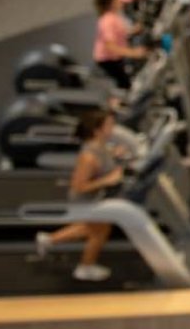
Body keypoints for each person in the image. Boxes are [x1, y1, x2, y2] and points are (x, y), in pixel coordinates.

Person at [35, 109, 125, 282]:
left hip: (95, 197)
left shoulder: (101, 145)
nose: (113, 128)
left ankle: (48, 239)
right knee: (100, 231)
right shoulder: (88, 156)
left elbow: (104, 160)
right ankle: (85, 268)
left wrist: (114, 155)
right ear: (97, 130)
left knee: (92, 228)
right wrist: (107, 180)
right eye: (109, 125)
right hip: (85, 201)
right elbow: (78, 186)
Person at [92, 0, 147, 89]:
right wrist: (134, 53)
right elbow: (110, 46)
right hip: (107, 60)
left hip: (115, 57)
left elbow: (120, 33)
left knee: (126, 81)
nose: (120, 1)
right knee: (126, 84)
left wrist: (135, 30)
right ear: (110, 4)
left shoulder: (114, 16)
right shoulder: (107, 21)